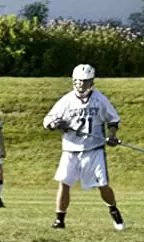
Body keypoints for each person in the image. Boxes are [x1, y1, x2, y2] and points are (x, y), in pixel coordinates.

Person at [43, 64, 124, 230]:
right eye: (78, 81)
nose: (81, 85)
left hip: (93, 149)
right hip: (70, 149)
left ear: (91, 82)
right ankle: (60, 219)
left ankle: (113, 209)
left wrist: (112, 135)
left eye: (85, 82)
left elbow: (113, 120)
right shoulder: (66, 100)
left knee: (102, 185)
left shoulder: (100, 99)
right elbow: (48, 120)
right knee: (64, 183)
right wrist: (55, 124)